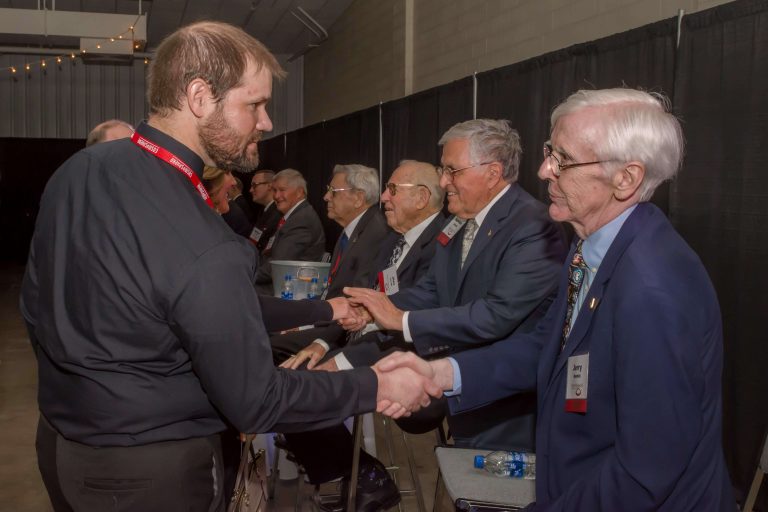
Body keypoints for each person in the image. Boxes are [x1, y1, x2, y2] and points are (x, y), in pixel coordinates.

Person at [20, 21, 438, 512]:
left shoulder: (80, 170)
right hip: (151, 473)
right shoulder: (202, 236)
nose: (266, 121)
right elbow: (257, 400)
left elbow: (40, 302)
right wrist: (380, 384)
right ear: (200, 97)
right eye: (254, 104)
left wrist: (325, 310)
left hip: (60, 447)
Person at [376, 88, 735, 511]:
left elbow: (646, 470)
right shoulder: (591, 247)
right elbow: (545, 347)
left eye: (563, 159)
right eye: (550, 152)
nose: (544, 169)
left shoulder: (652, 288)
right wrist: (441, 374)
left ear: (626, 178)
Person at [346, 119, 567, 451]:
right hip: (464, 392)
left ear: (492, 173)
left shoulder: (534, 226)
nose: (443, 181)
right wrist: (376, 309)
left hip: (507, 406)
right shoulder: (459, 221)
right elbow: (433, 289)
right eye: (443, 170)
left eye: (452, 170)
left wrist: (401, 320)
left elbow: (496, 315)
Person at [276, 160, 447, 509]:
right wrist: (322, 341)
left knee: (298, 382)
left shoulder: (442, 245)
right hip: (365, 340)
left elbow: (409, 321)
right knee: (291, 374)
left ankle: (364, 475)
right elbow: (362, 300)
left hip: (404, 355)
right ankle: (350, 469)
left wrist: (337, 357)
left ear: (421, 198)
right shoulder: (394, 240)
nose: (383, 197)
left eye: (393, 190)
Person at [269, 163, 390, 363]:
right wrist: (303, 321)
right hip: (329, 317)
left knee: (269, 344)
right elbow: (332, 291)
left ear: (358, 198)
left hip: (340, 331)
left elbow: (357, 304)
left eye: (333, 192)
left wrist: (318, 337)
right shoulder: (352, 230)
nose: (326, 197)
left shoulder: (374, 235)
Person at [254, 168, 326, 294]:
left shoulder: (301, 220)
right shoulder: (295, 215)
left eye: (282, 190)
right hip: (281, 282)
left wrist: (246, 275)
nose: (276, 196)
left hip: (288, 289)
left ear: (299, 192)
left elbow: (277, 266)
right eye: (274, 190)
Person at [248, 169, 281, 252]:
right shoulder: (263, 211)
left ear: (270, 186)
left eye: (254, 185)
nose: (250, 190)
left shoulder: (278, 214)